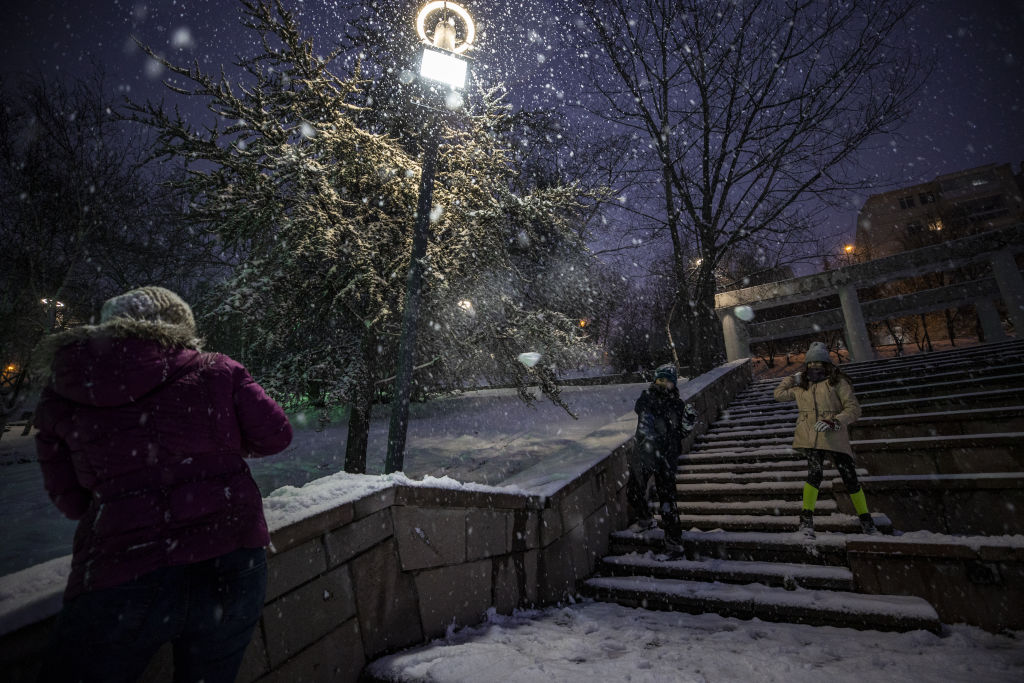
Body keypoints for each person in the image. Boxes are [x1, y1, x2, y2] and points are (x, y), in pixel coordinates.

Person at [32, 286, 293, 683]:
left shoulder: (64, 393)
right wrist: (217, 449)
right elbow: (276, 435)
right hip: (230, 560)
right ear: (179, 328)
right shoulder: (218, 371)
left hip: (121, 575)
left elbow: (70, 500)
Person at [773, 341, 880, 537]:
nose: (814, 368)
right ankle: (806, 519)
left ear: (826, 364)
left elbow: (853, 409)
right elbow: (778, 395)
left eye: (818, 363)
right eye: (810, 364)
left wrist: (835, 421)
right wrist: (791, 378)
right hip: (811, 436)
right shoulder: (801, 385)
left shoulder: (838, 382)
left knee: (850, 477)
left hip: (834, 436)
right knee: (814, 475)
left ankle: (866, 519)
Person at [628, 363, 697, 555]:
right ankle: (645, 519)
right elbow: (643, 417)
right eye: (660, 379)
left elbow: (679, 433)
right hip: (645, 455)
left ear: (674, 384)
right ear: (655, 380)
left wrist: (688, 423)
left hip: (666, 457)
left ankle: (673, 543)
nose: (664, 383)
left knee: (667, 502)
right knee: (633, 491)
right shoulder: (646, 399)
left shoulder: (678, 405)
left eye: (668, 381)